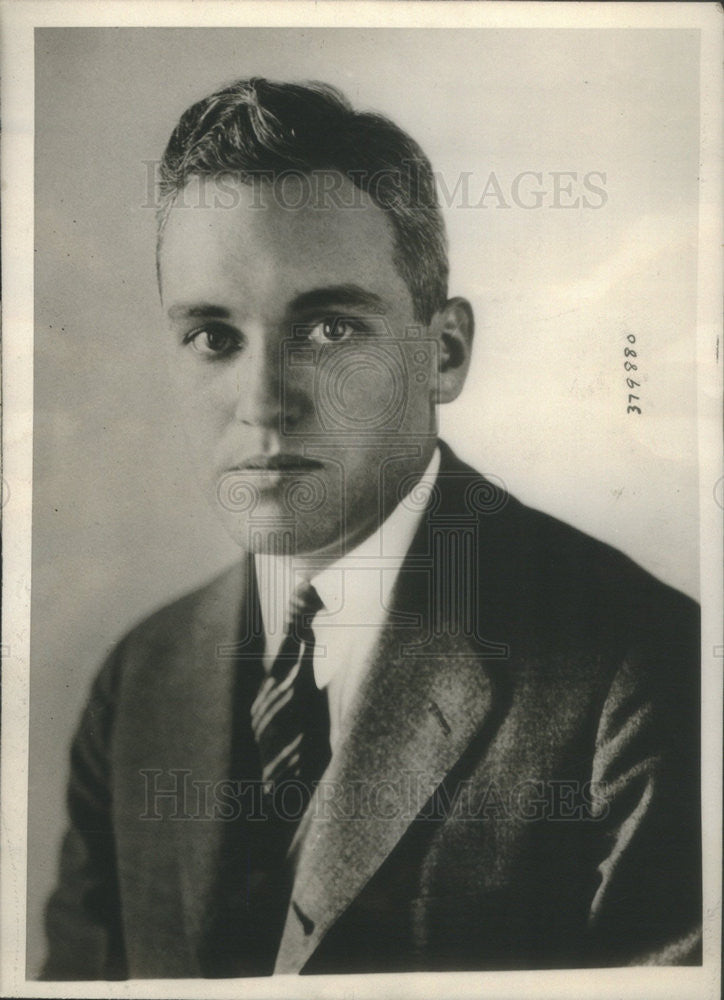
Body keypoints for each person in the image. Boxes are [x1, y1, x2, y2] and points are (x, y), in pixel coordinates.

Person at [42, 78, 701, 979]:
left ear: (445, 353)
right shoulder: (140, 679)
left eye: (328, 326)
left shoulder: (643, 668)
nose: (265, 402)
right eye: (213, 336)